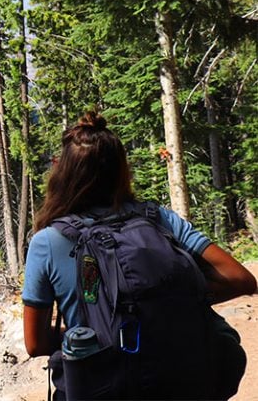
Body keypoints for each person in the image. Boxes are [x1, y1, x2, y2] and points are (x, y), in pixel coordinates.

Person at [22, 111, 256, 399]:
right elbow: (241, 279)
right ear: (121, 171)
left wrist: (102, 333)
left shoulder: (47, 242)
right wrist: (172, 305)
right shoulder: (158, 218)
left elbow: (34, 343)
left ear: (62, 174)